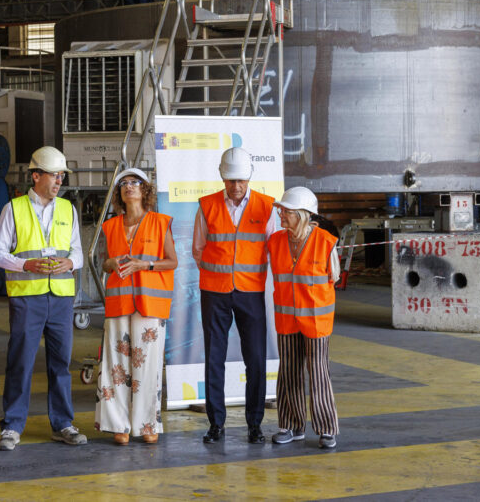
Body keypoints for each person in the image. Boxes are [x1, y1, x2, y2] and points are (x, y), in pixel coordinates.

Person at [0, 146, 87, 451]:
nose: (59, 181)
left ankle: (63, 424)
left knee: (61, 363)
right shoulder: (14, 209)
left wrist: (70, 264)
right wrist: (25, 264)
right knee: (20, 362)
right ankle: (11, 427)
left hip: (60, 297)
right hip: (27, 298)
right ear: (36, 176)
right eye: (53, 175)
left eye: (61, 176)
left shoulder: (67, 209)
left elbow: (78, 253)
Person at [193, 147, 276, 444]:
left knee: (255, 359)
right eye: (230, 180)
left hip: (251, 292)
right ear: (222, 177)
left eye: (240, 180)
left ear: (249, 177)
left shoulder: (267, 207)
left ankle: (255, 424)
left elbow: (273, 249)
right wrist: (218, 275)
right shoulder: (207, 205)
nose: (236, 186)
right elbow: (199, 250)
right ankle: (216, 424)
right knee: (214, 358)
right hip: (214, 293)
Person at [95, 168, 178, 445]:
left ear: (145, 190)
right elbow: (105, 263)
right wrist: (113, 262)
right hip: (119, 302)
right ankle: (119, 425)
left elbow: (172, 261)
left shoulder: (160, 222)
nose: (129, 187)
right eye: (124, 183)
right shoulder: (110, 226)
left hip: (150, 303)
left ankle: (146, 424)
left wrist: (144, 264)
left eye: (135, 183)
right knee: (116, 365)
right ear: (119, 193)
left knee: (148, 365)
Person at [266, 186, 340, 450]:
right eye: (281, 210)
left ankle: (327, 429)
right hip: (287, 320)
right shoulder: (274, 242)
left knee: (318, 372)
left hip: (317, 322)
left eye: (286, 211)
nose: (281, 215)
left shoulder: (325, 242)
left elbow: (335, 277)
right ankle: (291, 426)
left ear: (302, 215)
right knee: (288, 373)